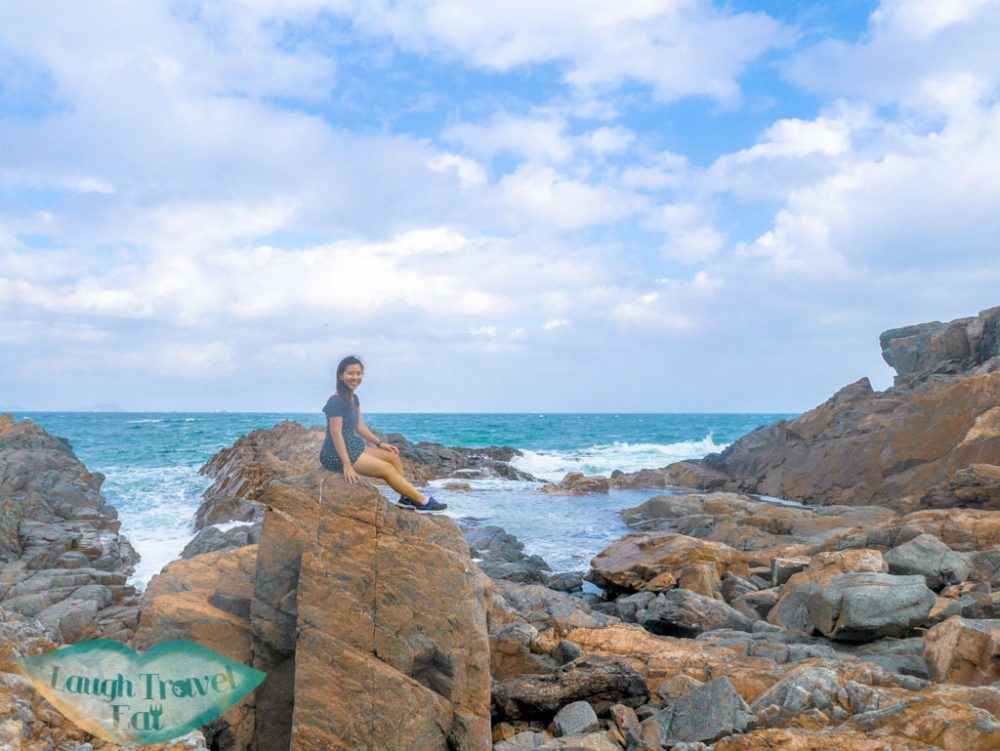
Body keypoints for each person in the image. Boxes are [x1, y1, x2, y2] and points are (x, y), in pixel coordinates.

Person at [320, 355, 447, 513]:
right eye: (350, 373)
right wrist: (347, 465)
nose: (355, 377)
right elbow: (336, 434)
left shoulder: (353, 398)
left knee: (392, 455)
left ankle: (406, 498)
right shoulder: (336, 401)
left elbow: (360, 426)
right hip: (335, 453)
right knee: (387, 469)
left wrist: (380, 443)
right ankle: (422, 501)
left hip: (351, 445)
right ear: (340, 376)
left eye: (358, 373)